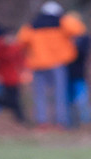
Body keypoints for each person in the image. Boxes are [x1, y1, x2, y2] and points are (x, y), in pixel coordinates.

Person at [16, 1, 86, 129]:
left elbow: (21, 40)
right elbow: (78, 29)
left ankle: (42, 122)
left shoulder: (33, 25)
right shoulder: (62, 22)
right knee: (60, 93)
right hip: (57, 63)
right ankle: (61, 122)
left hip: (38, 64)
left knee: (40, 94)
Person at [0, 28, 26, 123]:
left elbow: (21, 60)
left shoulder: (16, 47)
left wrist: (23, 71)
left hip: (14, 77)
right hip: (3, 77)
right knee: (13, 100)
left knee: (13, 99)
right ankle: (20, 119)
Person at [65, 16, 91, 127]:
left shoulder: (84, 39)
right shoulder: (63, 39)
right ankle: (71, 123)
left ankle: (86, 123)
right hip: (67, 76)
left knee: (82, 101)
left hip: (79, 75)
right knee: (69, 102)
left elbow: (81, 54)